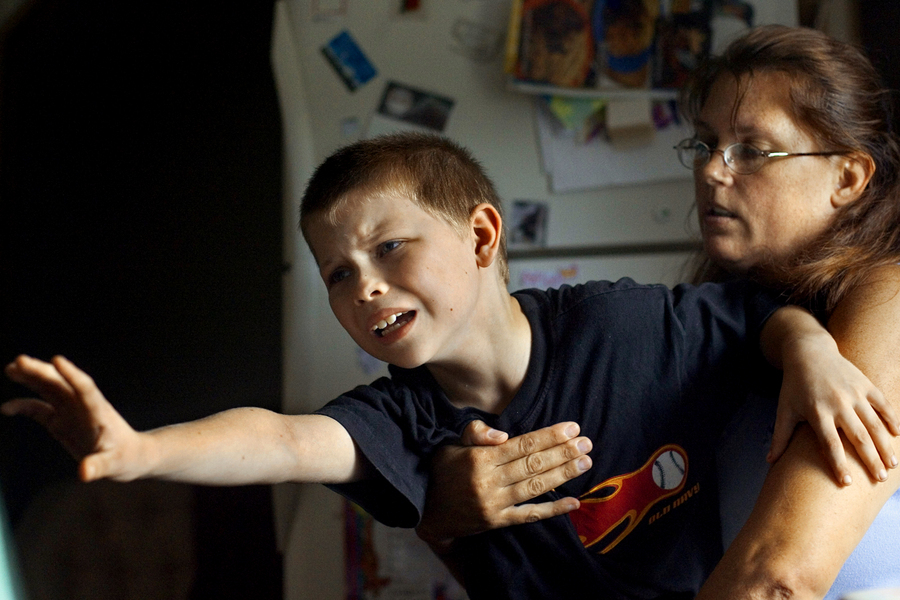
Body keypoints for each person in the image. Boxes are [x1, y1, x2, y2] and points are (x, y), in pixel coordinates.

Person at [2, 133, 896, 599]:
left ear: (480, 236)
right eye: (339, 274)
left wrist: (812, 349)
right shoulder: (402, 422)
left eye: (390, 248)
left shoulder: (620, 322)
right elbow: (281, 437)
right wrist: (142, 449)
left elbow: (755, 320)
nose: (365, 287)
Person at [418, 25, 900, 599]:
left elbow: (778, 578)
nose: (712, 171)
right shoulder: (712, 322)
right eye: (704, 143)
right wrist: (444, 507)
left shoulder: (889, 297)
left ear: (848, 177)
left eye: (751, 150)